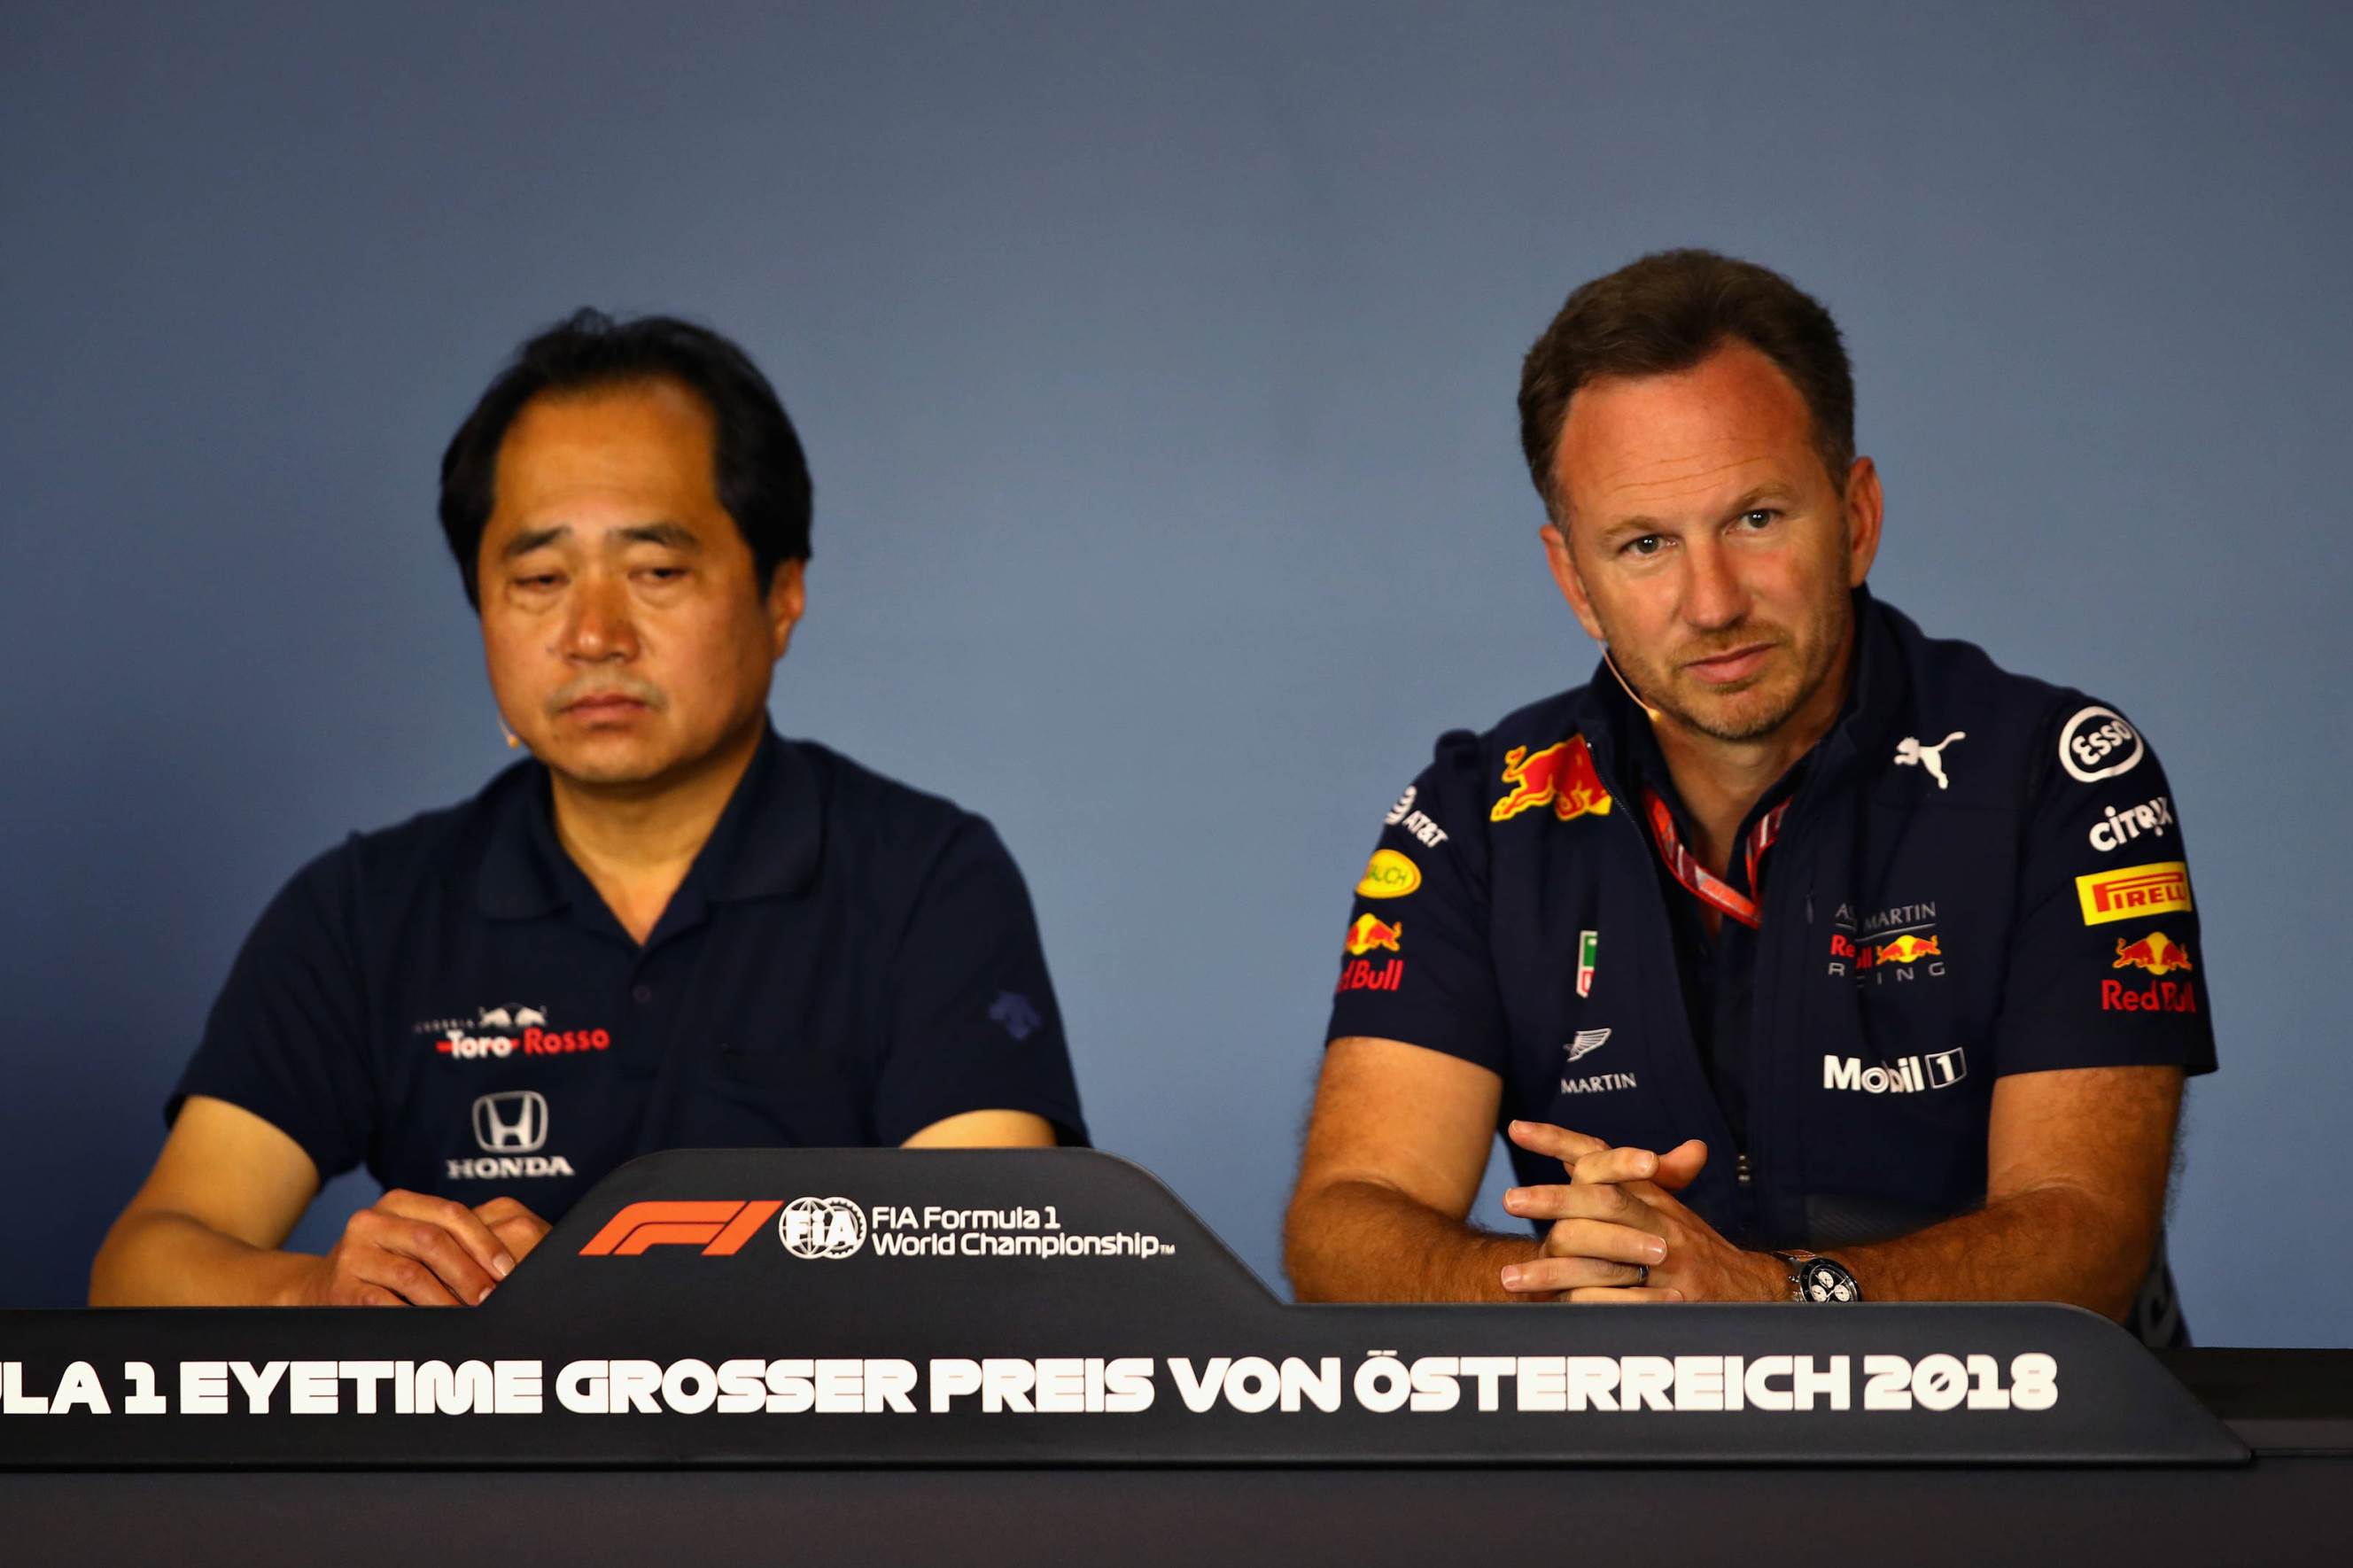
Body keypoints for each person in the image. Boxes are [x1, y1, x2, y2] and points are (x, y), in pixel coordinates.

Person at [1285, 251, 2211, 1342]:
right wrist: (1565, 1286)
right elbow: (1343, 1222)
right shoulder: (1477, 816)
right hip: (1637, 1478)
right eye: (1643, 545)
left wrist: (1769, 1299)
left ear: (1856, 516)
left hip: (2011, 1473)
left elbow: (2089, 1240)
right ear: (1573, 580)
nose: (1711, 602)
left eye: (1756, 520)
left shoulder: (2056, 774)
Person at [91, 311, 1085, 1308]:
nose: (593, 635)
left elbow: (988, 1270)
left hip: (810, 1463)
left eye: (655, 572)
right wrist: (316, 1296)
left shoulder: (924, 878)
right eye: (538, 579)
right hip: (470, 1467)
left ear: (781, 595)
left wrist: (607, 1295)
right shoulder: (365, 910)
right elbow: (145, 1265)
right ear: (482, 604)